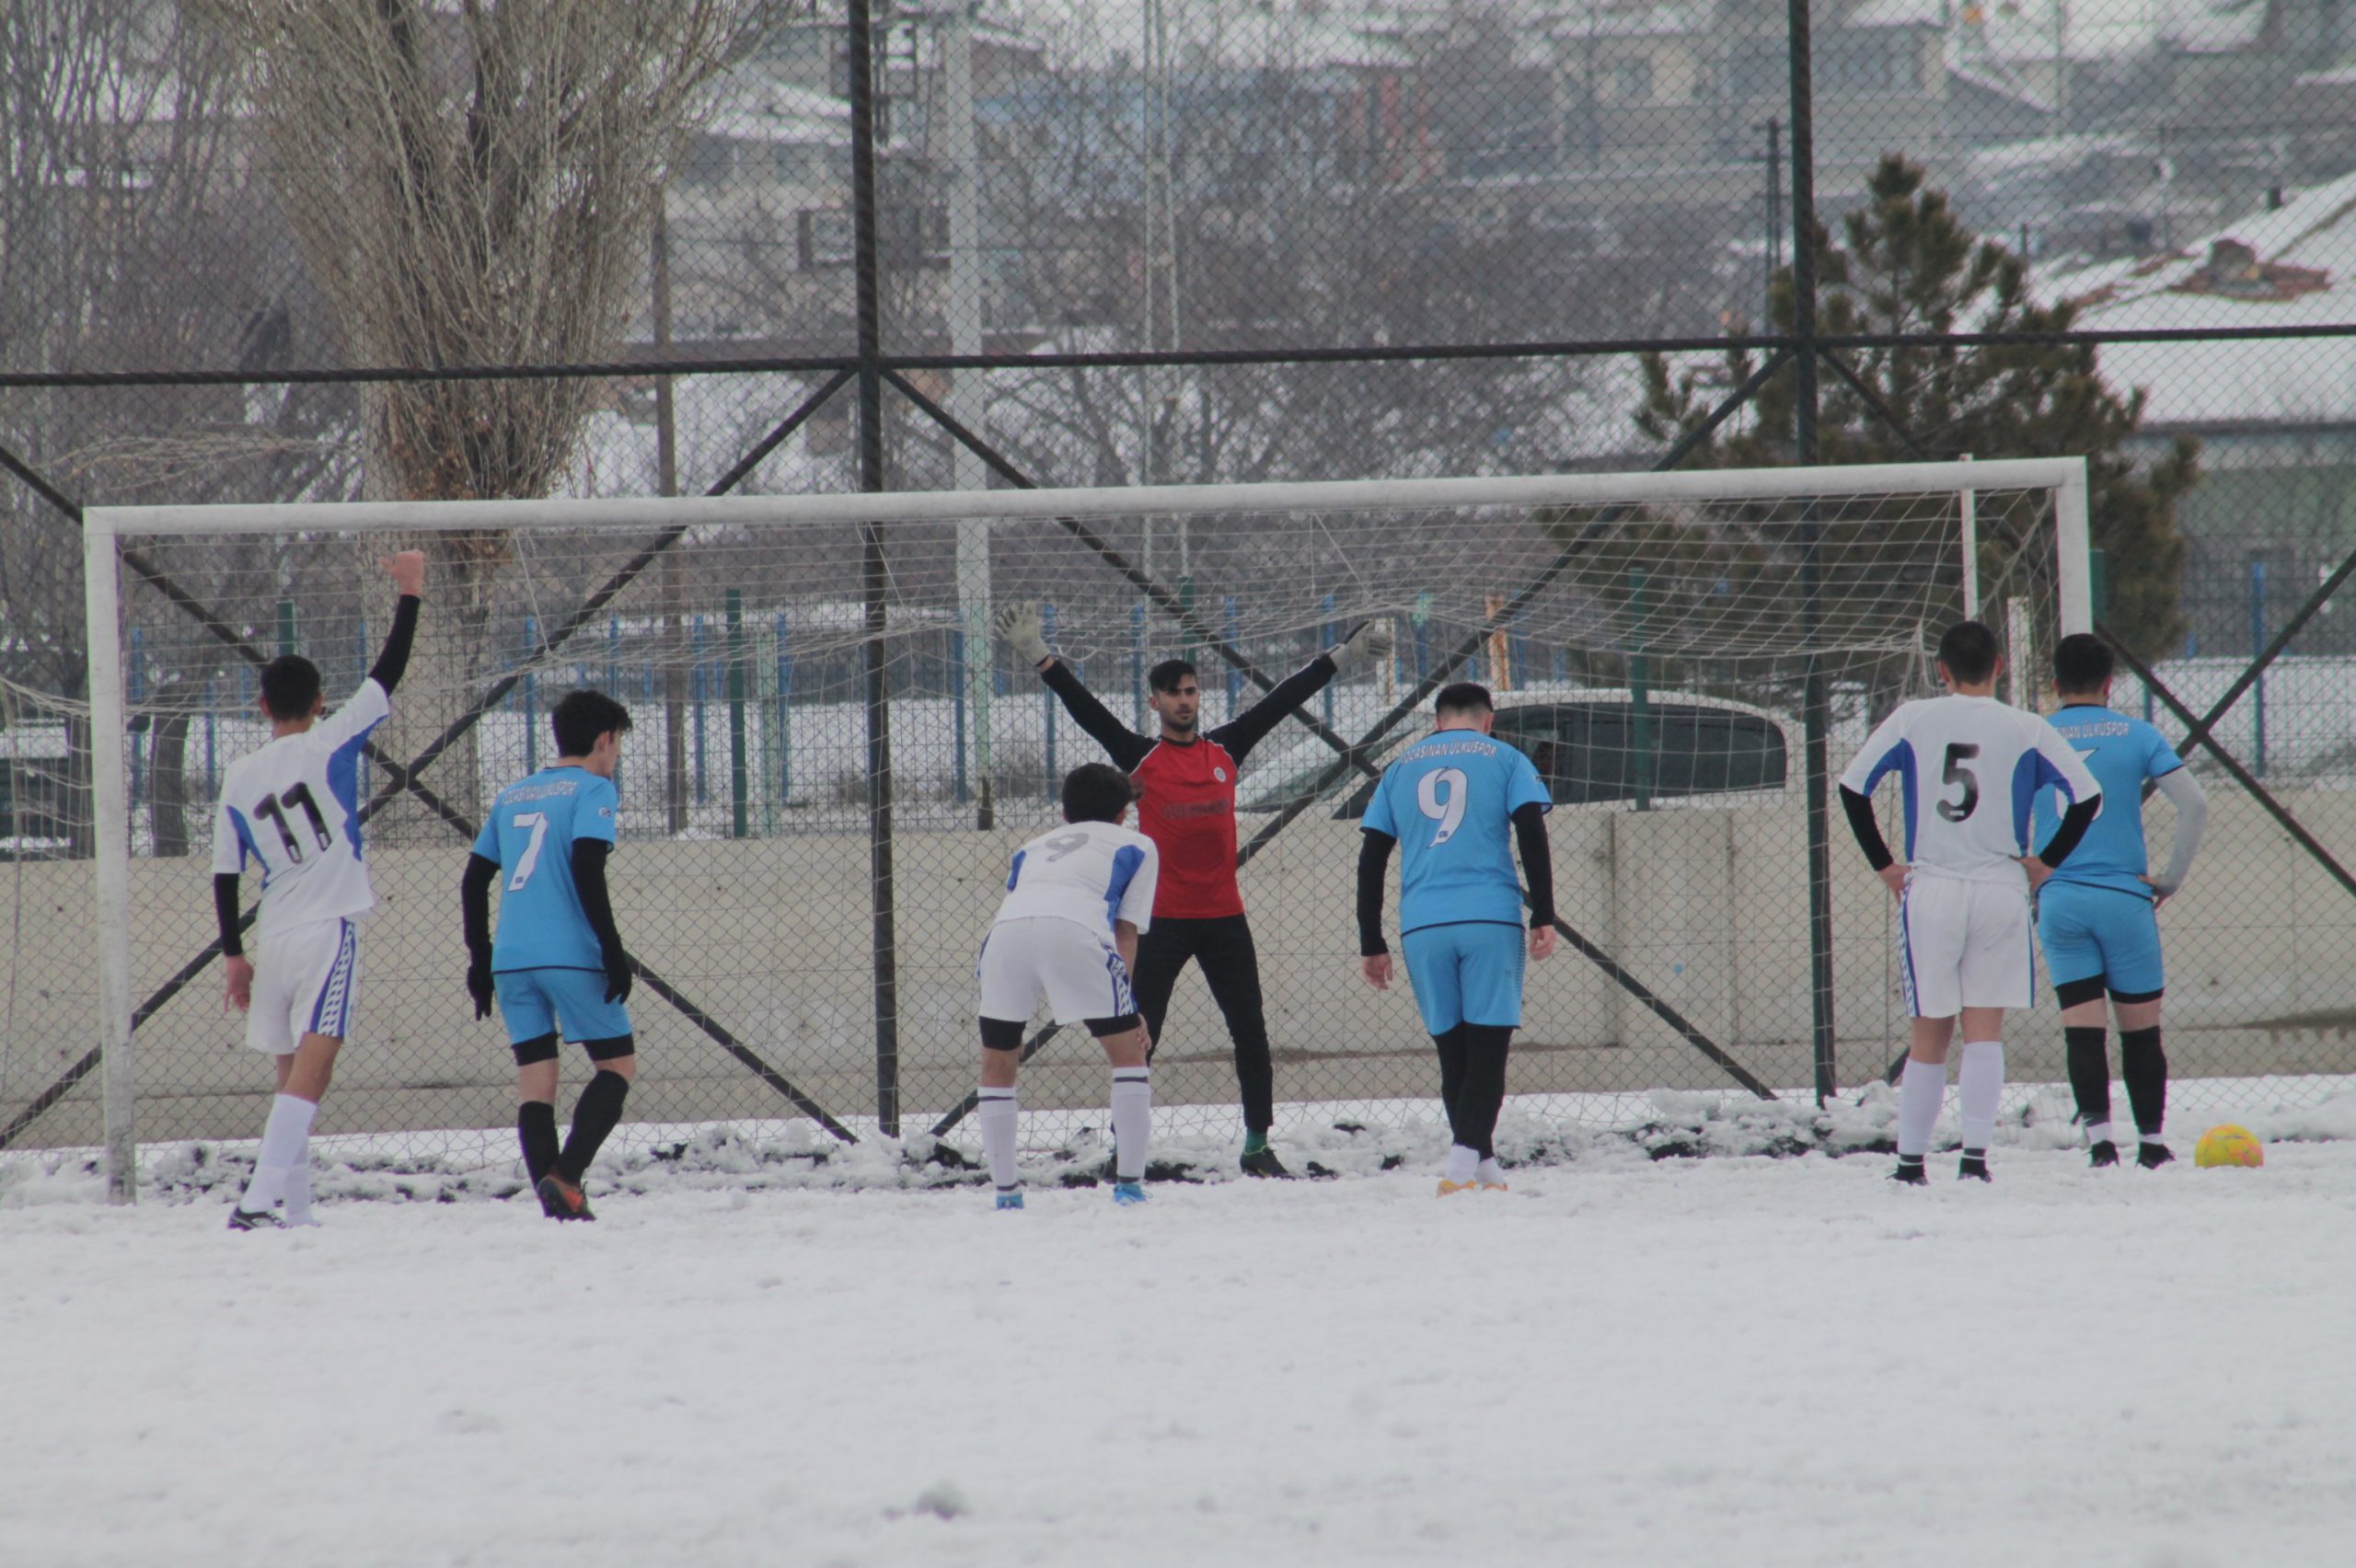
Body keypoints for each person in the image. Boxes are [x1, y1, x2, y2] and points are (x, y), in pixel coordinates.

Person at [996, 601, 1391, 1178]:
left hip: (1224, 917)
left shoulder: (1226, 749)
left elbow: (1283, 700)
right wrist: (1038, 654)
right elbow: (1086, 712)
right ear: (1155, 702)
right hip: (1164, 922)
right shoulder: (1140, 757)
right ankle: (1123, 1151)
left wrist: (1345, 655)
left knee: (1250, 1030)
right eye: (1173, 692)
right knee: (1136, 1037)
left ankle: (1257, 1144)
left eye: (1191, 690)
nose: (1185, 700)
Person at [1838, 620, 2105, 1185]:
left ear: (1942, 670)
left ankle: (1911, 1164)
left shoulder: (1914, 717)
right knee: (1985, 1030)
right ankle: (1974, 1160)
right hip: (1999, 888)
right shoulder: (2028, 727)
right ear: (2001, 666)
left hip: (1932, 887)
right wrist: (2046, 862)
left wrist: (1885, 865)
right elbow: (2087, 796)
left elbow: (1852, 786)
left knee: (1928, 1033)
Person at [213, 550, 424, 1229]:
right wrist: (410, 592)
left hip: (272, 935)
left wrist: (233, 955)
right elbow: (387, 673)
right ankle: (253, 1202)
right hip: (329, 925)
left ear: (262, 706)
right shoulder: (330, 741)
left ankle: (295, 1213)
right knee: (314, 1071)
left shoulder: (239, 777)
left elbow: (224, 873)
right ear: (320, 703)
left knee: (288, 1077)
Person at [1355, 682, 1556, 1196]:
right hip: (1490, 918)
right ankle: (1461, 1167)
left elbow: (1372, 857)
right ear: (1488, 719)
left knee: (1454, 1054)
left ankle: (1486, 1170)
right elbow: (1532, 830)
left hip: (1423, 924)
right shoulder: (1506, 758)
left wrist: (1371, 940)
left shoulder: (1400, 767)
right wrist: (1545, 913)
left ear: (1437, 722)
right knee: (1488, 1052)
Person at [2032, 633, 2209, 1169]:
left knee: (2082, 1027)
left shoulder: (2033, 736)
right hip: (2125, 897)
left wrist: (2030, 875)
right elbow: (2194, 805)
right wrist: (2169, 879)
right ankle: (2152, 1145)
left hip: (2060, 899)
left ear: (2055, 684)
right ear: (2111, 684)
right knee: (2141, 1029)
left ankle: (2101, 1143)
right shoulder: (2138, 734)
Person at [461, 690, 638, 1221]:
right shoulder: (595, 790)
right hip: (570, 956)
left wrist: (479, 958)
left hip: (511, 960)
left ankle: (556, 1206)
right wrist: (611, 947)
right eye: (619, 745)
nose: (618, 757)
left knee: (537, 1082)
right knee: (618, 1066)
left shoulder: (512, 795)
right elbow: (587, 866)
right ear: (604, 740)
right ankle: (566, 1176)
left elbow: (474, 880)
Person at [976, 762, 1161, 1209]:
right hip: (1076, 931)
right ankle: (1130, 1186)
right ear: (1123, 813)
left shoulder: (1030, 848)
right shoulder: (1138, 844)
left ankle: (1006, 1194)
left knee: (998, 1064)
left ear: (1064, 814)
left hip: (1004, 937)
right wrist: (1128, 1005)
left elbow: (1022, 899)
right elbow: (1125, 933)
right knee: (1129, 1056)